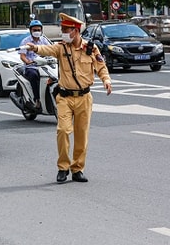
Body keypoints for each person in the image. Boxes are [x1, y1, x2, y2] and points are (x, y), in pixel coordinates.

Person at [27, 13, 112, 183]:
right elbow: (47, 49)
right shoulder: (61, 47)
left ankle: (77, 168)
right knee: (63, 130)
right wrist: (35, 48)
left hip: (84, 98)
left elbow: (101, 66)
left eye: (66, 29)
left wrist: (106, 80)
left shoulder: (91, 48)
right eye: (63, 29)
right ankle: (63, 167)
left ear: (76, 30)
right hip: (65, 97)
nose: (63, 32)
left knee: (82, 135)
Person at [18, 19, 52, 109]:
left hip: (44, 66)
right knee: (34, 76)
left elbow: (51, 51)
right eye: (35, 30)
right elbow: (22, 56)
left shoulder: (44, 40)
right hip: (32, 67)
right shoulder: (26, 41)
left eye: (38, 30)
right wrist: (28, 62)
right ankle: (37, 100)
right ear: (30, 31)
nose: (37, 32)